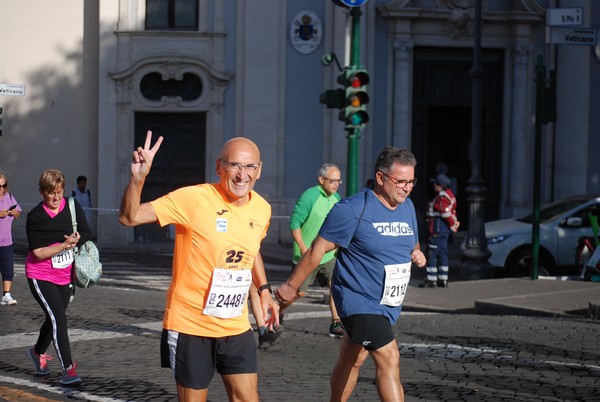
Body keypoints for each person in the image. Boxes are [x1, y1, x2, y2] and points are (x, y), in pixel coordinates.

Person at [119, 131, 279, 402]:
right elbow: (129, 217)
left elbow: (252, 249)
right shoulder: (193, 199)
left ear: (259, 170)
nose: (242, 175)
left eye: (250, 166)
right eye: (234, 165)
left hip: (235, 326)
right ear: (219, 167)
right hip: (191, 325)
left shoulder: (262, 209)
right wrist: (138, 178)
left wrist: (264, 291)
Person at [276, 146, 427, 402]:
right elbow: (316, 251)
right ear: (380, 178)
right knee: (390, 357)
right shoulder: (353, 209)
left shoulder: (407, 207)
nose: (407, 187)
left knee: (352, 358)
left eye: (411, 181)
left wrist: (417, 253)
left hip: (388, 302)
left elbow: (412, 242)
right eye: (400, 181)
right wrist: (290, 287)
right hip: (358, 300)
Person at [25, 169, 91, 385]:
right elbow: (38, 253)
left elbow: (87, 233)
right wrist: (63, 245)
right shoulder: (35, 216)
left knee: (54, 318)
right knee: (59, 320)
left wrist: (77, 239)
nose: (55, 198)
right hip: (40, 274)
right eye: (51, 193)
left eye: (59, 193)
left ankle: (36, 352)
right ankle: (68, 370)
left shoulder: (72, 206)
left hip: (65, 274)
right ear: (42, 192)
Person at [284, 163, 343, 338]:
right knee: (298, 292)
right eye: (332, 181)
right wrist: (302, 247)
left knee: (336, 287)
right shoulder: (310, 196)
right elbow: (295, 223)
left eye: (338, 181)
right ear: (321, 179)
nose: (336, 184)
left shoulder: (336, 198)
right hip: (307, 254)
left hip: (328, 255)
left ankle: (336, 322)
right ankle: (276, 310)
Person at [420, 174, 459, 288]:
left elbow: (446, 213)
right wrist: (454, 223)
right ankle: (443, 279)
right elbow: (452, 212)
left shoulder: (442, 197)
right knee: (442, 253)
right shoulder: (448, 195)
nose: (434, 185)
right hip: (443, 229)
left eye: (435, 183)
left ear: (440, 186)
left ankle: (431, 280)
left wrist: (453, 225)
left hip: (437, 228)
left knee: (432, 253)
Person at [0, 173, 22, 305]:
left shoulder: (9, 197)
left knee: (8, 269)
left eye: (4, 185)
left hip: (6, 241)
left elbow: (18, 213)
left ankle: (6, 295)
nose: (1, 188)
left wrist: (14, 212)